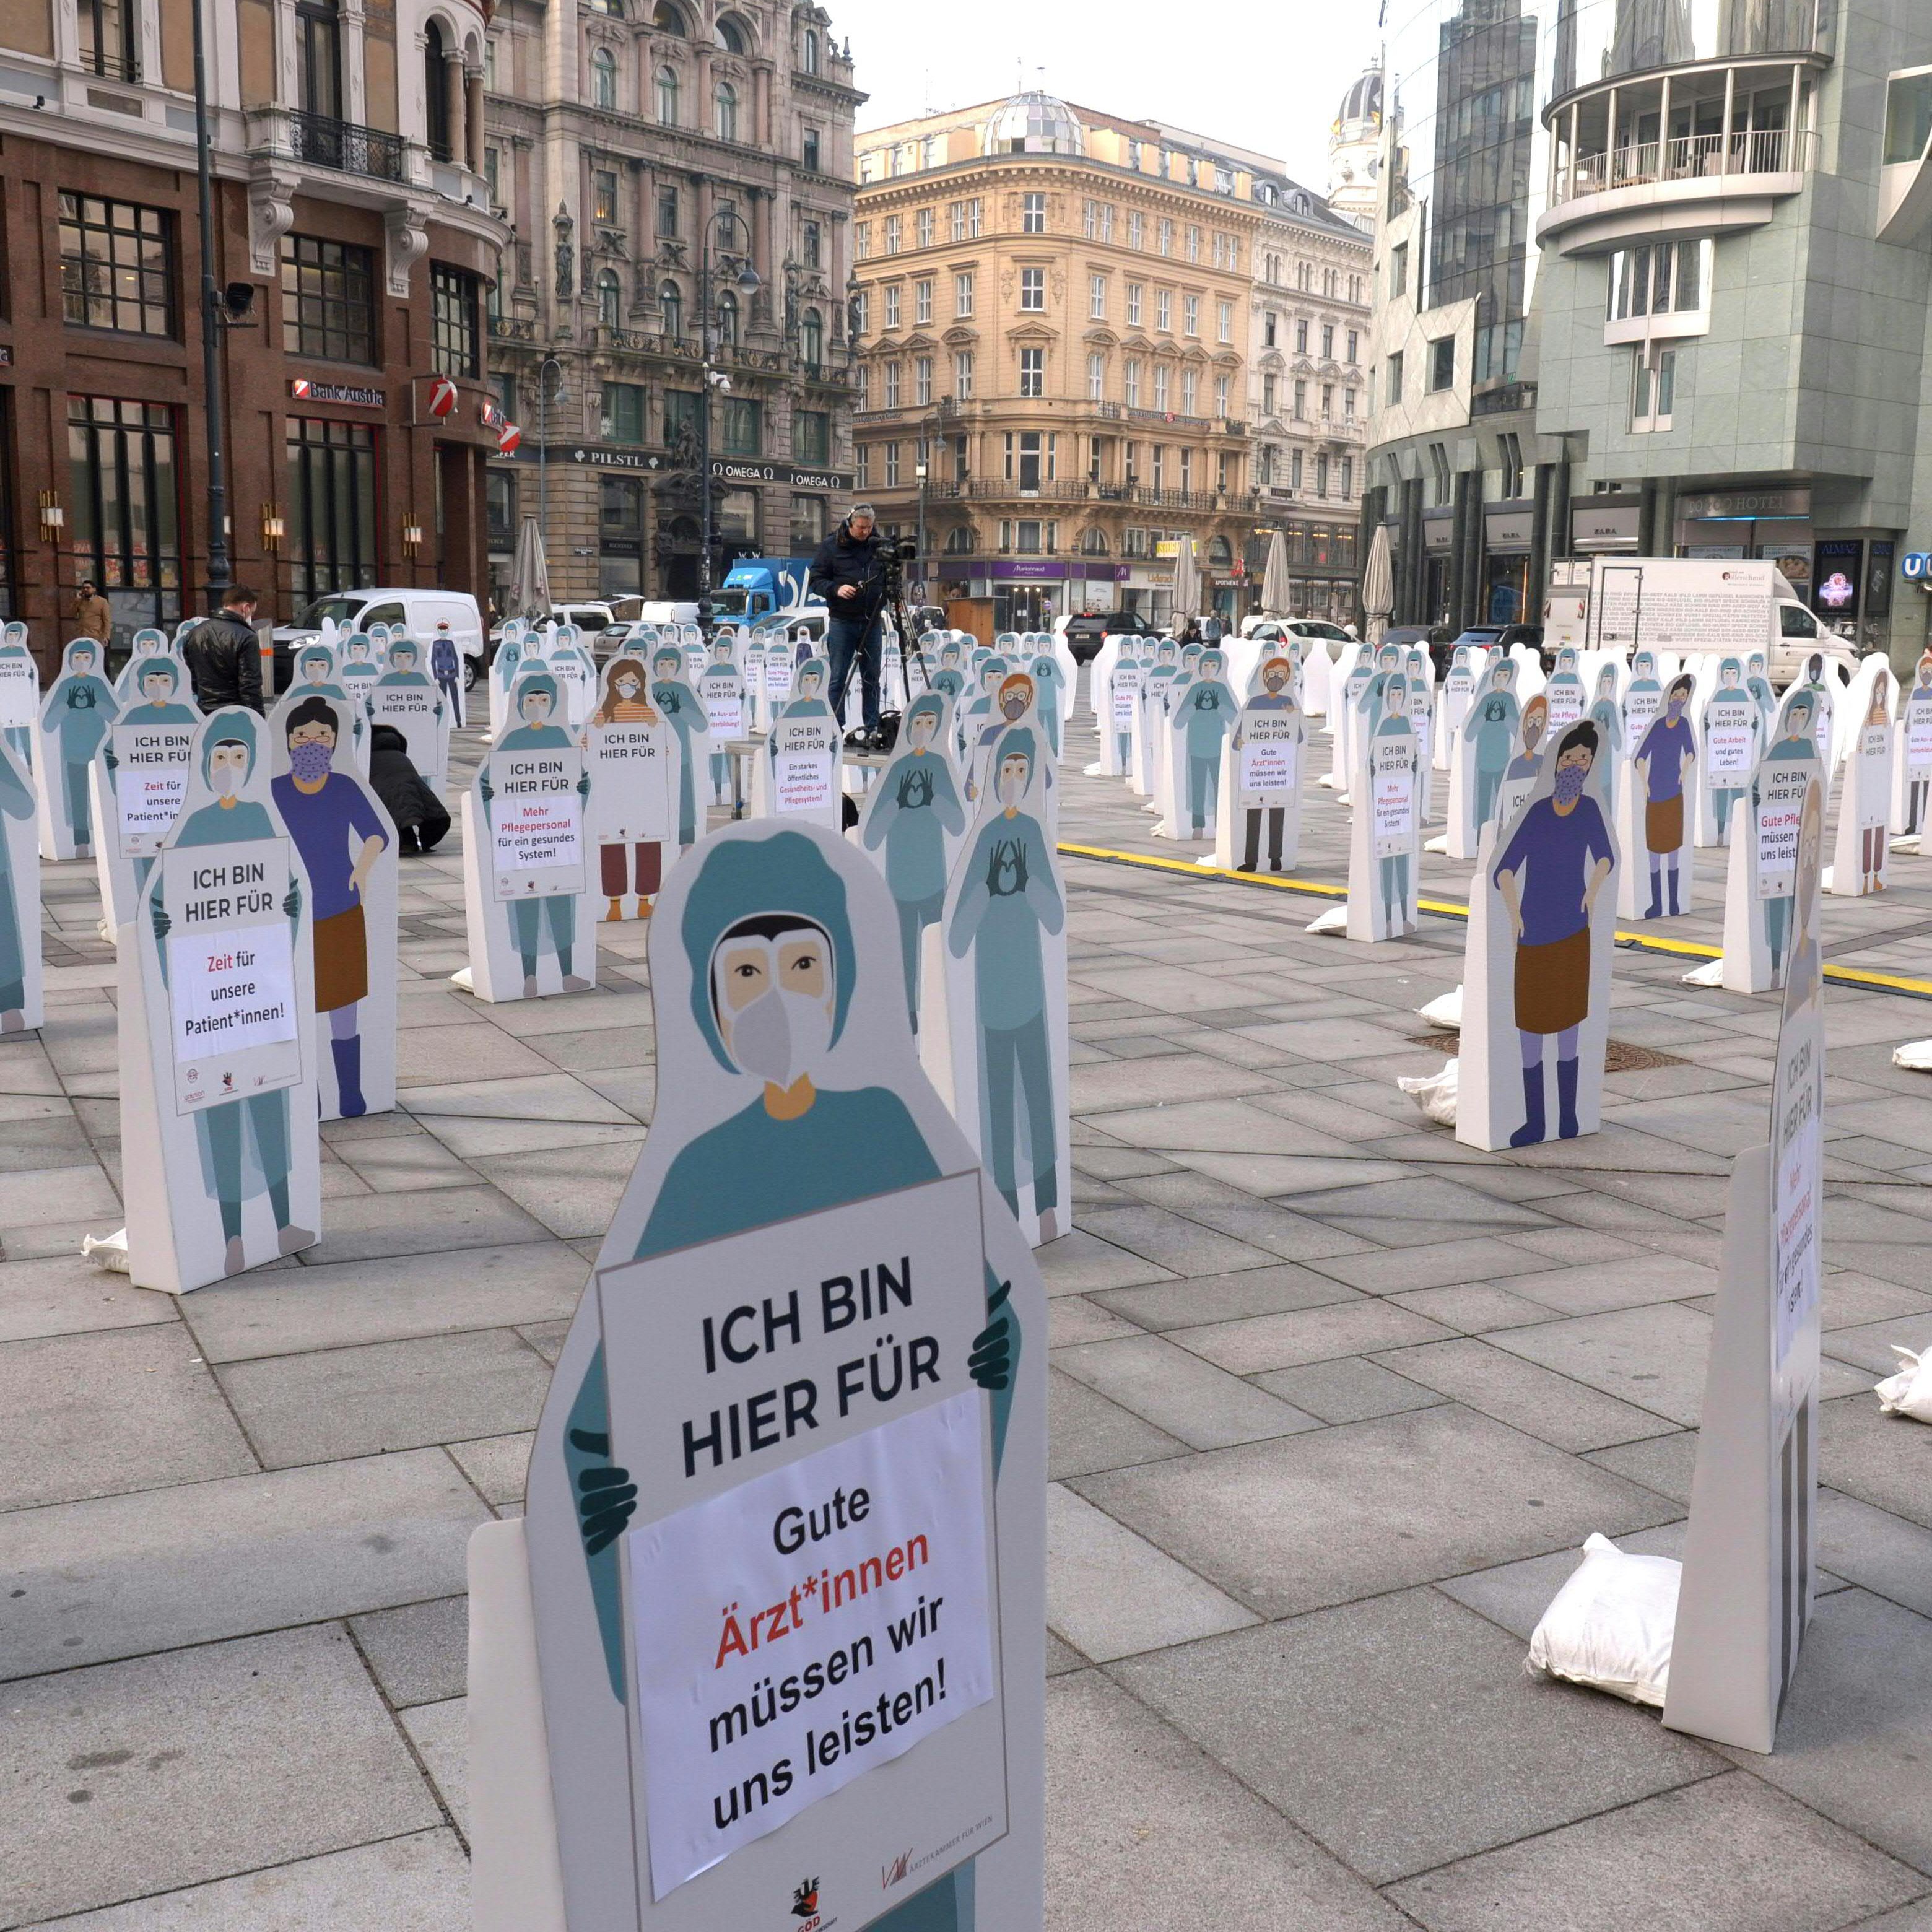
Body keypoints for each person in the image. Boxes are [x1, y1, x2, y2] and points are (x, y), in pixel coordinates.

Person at [148, 715, 313, 1274]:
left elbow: (287, 887)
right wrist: (166, 931)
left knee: (270, 1105)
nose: (228, 769)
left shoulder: (264, 818)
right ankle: (232, 1237)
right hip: (210, 996)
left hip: (258, 992)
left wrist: (291, 912)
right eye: (219, 759)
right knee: (218, 1115)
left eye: (238, 759)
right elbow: (160, 901)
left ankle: (285, 1219)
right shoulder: (192, 826)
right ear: (204, 765)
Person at [949, 728, 1064, 1240]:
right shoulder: (986, 837)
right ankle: (1001, 1205)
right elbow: (957, 934)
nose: (1014, 780)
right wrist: (988, 895)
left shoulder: (1034, 835)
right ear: (995, 778)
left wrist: (1028, 886)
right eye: (1007, 771)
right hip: (991, 989)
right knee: (996, 1101)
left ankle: (1045, 1204)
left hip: (1030, 989)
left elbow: (1055, 915)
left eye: (1022, 771)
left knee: (1037, 1096)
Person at [1491, 720, 1614, 1146]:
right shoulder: (1540, 811)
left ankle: (1566, 1117)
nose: (1575, 766)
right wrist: (1514, 914)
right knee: (1530, 1026)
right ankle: (1534, 1121)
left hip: (1572, 930)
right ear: (1557, 762)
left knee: (1568, 1027)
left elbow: (1606, 857)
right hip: (1534, 928)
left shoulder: (1590, 811)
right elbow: (1504, 868)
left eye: (1584, 759)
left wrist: (1592, 892)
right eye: (1569, 758)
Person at [271, 697, 388, 1116]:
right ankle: (313, 1093)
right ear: (288, 741)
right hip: (292, 913)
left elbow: (376, 834)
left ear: (335, 741)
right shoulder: (276, 791)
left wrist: (362, 868)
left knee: (344, 1000)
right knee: (300, 1000)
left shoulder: (343, 786)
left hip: (340, 904)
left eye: (322, 735)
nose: (311, 743)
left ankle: (351, 1093)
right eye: (302, 736)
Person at [481, 673, 593, 994]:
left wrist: (583, 789)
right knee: (524, 903)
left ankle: (568, 973)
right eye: (530, 700)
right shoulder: (512, 739)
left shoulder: (561, 735)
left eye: (544, 701)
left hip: (556, 835)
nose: (537, 706)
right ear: (519, 704)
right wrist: (488, 794)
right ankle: (528, 976)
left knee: (562, 902)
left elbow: (581, 775)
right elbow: (489, 781)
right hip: (522, 837)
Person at [862, 691, 965, 1029]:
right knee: (904, 953)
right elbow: (872, 833)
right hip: (899, 880)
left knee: (935, 948)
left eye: (930, 723)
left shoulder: (940, 766)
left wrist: (934, 801)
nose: (923, 729)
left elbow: (957, 823)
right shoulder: (897, 770)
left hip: (934, 877)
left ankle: (937, 1009)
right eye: (918, 722)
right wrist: (896, 805)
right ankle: (906, 1017)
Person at [586, 656, 665, 920]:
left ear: (641, 684)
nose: (628, 687)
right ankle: (615, 903)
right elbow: (587, 745)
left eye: (633, 682)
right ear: (613, 684)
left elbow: (661, 749)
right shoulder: (603, 714)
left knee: (648, 844)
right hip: (612, 792)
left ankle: (645, 901)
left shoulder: (648, 713)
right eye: (622, 682)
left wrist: (654, 735)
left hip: (643, 790)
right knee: (611, 844)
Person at [807, 502, 887, 734]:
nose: (865, 532)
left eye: (869, 527)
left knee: (872, 677)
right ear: (850, 523)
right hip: (843, 620)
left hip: (871, 621)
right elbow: (815, 580)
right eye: (861, 528)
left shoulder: (878, 546)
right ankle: (836, 726)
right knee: (838, 677)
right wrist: (836, 589)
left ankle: (872, 727)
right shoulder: (831, 546)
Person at [41, 639, 118, 853]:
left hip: (98, 749)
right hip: (73, 750)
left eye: (86, 658)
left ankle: (104, 836)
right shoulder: (65, 686)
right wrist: (66, 706)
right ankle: (82, 840)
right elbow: (48, 724)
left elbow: (116, 718)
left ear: (94, 660)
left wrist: (99, 706)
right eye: (77, 658)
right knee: (77, 796)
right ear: (70, 661)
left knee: (101, 792)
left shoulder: (99, 684)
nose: (82, 662)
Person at [1634, 673, 1697, 917]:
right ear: (1669, 697)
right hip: (1655, 792)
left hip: (1674, 792)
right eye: (1677, 695)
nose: (1679, 699)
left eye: (1684, 696)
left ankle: (1673, 903)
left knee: (1673, 849)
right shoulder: (1659, 725)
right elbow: (1641, 755)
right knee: (1653, 848)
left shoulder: (1683, 726)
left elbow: (1690, 751)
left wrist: (1684, 770)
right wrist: (1644, 782)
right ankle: (1657, 903)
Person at [183, 589, 265, 715]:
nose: (251, 617)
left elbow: (193, 676)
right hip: (236, 711)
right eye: (252, 612)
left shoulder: (195, 633)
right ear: (246, 608)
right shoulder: (247, 637)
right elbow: (250, 684)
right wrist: (257, 717)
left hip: (204, 710)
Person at [72, 580, 112, 646]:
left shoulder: (102, 602)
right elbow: (73, 613)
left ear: (94, 589)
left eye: (88, 588)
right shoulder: (80, 601)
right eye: (84, 588)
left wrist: (106, 636)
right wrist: (77, 600)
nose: (85, 590)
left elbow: (107, 620)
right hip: (82, 635)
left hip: (96, 636)